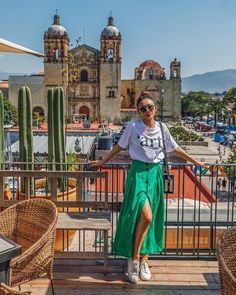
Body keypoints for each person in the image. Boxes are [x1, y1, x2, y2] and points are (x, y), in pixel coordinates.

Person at [90, 91, 206, 284]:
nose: (146, 111)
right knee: (145, 215)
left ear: (155, 108)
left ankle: (144, 260)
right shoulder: (133, 126)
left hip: (155, 174)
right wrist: (103, 161)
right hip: (138, 174)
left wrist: (196, 162)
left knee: (151, 218)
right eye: (142, 108)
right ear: (138, 111)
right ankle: (134, 259)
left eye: (150, 107)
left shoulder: (162, 128)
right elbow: (119, 146)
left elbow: (176, 149)